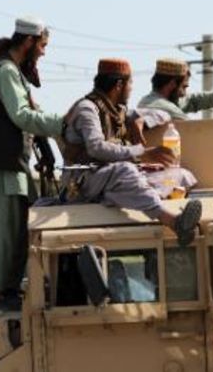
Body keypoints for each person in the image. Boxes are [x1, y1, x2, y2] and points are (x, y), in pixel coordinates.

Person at [0, 16, 64, 311]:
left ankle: (9, 292)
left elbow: (31, 114)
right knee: (2, 238)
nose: (44, 52)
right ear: (29, 42)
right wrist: (65, 124)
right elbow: (22, 116)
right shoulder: (5, 71)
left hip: (12, 169)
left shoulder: (14, 72)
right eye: (43, 45)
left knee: (21, 236)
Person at [61, 58, 201, 246]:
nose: (132, 88)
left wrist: (141, 120)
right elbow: (96, 148)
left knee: (181, 175)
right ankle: (174, 222)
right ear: (119, 85)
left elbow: (164, 112)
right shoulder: (87, 109)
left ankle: (121, 196)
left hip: (109, 180)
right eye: (130, 83)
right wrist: (141, 152)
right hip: (84, 179)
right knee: (126, 171)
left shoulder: (118, 110)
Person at [137, 58, 213, 121]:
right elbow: (194, 130)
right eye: (184, 87)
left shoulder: (157, 100)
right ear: (172, 83)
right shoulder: (161, 107)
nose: (184, 94)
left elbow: (195, 100)